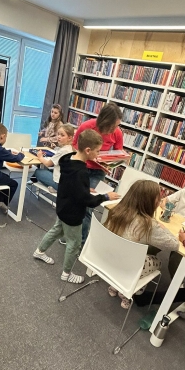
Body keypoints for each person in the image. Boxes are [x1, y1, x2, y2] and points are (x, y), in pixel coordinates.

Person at [32, 130, 121, 284]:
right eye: (98, 151)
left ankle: (39, 252)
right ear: (88, 150)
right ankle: (66, 274)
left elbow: (73, 186)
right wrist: (106, 196)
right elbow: (87, 201)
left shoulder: (67, 158)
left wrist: (84, 188)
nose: (99, 155)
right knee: (74, 244)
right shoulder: (81, 172)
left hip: (63, 206)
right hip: (73, 213)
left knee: (56, 230)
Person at [104, 180, 179, 308]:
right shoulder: (148, 225)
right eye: (158, 198)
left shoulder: (117, 210)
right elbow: (174, 245)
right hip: (128, 266)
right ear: (151, 202)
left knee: (142, 249)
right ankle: (128, 292)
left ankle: (115, 285)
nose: (160, 201)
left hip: (108, 258)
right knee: (158, 262)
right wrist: (163, 227)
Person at [73, 103, 124, 245]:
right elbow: (75, 144)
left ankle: (81, 242)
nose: (115, 129)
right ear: (104, 121)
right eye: (113, 126)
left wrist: (113, 160)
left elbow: (118, 152)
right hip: (82, 168)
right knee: (75, 202)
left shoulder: (117, 133)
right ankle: (72, 236)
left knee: (87, 205)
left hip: (98, 171)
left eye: (117, 126)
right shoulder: (87, 126)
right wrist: (87, 156)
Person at [31, 123, 74, 192]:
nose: (59, 137)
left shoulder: (63, 151)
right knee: (49, 171)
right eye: (58, 134)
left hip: (59, 183)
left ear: (69, 138)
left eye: (62, 135)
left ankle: (54, 188)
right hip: (67, 181)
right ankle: (34, 180)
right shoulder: (70, 149)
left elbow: (48, 164)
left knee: (37, 171)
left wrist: (40, 157)